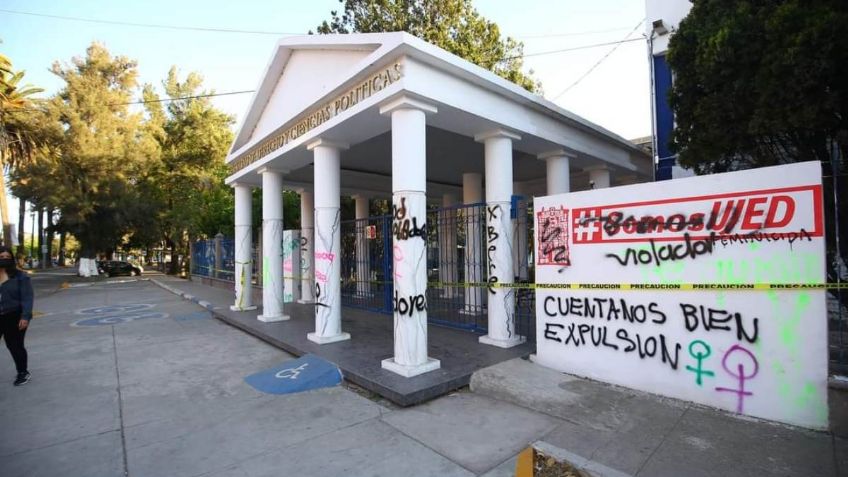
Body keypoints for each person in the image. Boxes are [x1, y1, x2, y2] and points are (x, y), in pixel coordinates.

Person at [0, 246, 34, 385]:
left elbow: (27, 298)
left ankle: (23, 373)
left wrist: (25, 317)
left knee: (15, 346)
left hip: (14, 316)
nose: (4, 260)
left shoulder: (21, 277)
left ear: (12, 259)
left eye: (7, 258)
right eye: (1, 257)